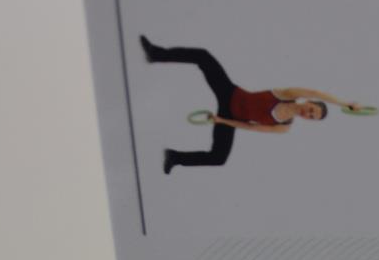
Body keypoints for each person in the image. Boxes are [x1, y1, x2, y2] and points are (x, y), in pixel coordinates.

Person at [140, 36, 363, 173]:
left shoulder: (284, 127)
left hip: (231, 117)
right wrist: (345, 103)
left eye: (311, 117)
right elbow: (316, 92)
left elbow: (251, 127)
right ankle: (155, 54)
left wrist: (222, 120)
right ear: (309, 102)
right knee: (203, 56)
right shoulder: (287, 94)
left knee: (219, 158)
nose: (308, 114)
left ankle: (174, 157)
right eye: (312, 109)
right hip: (231, 93)